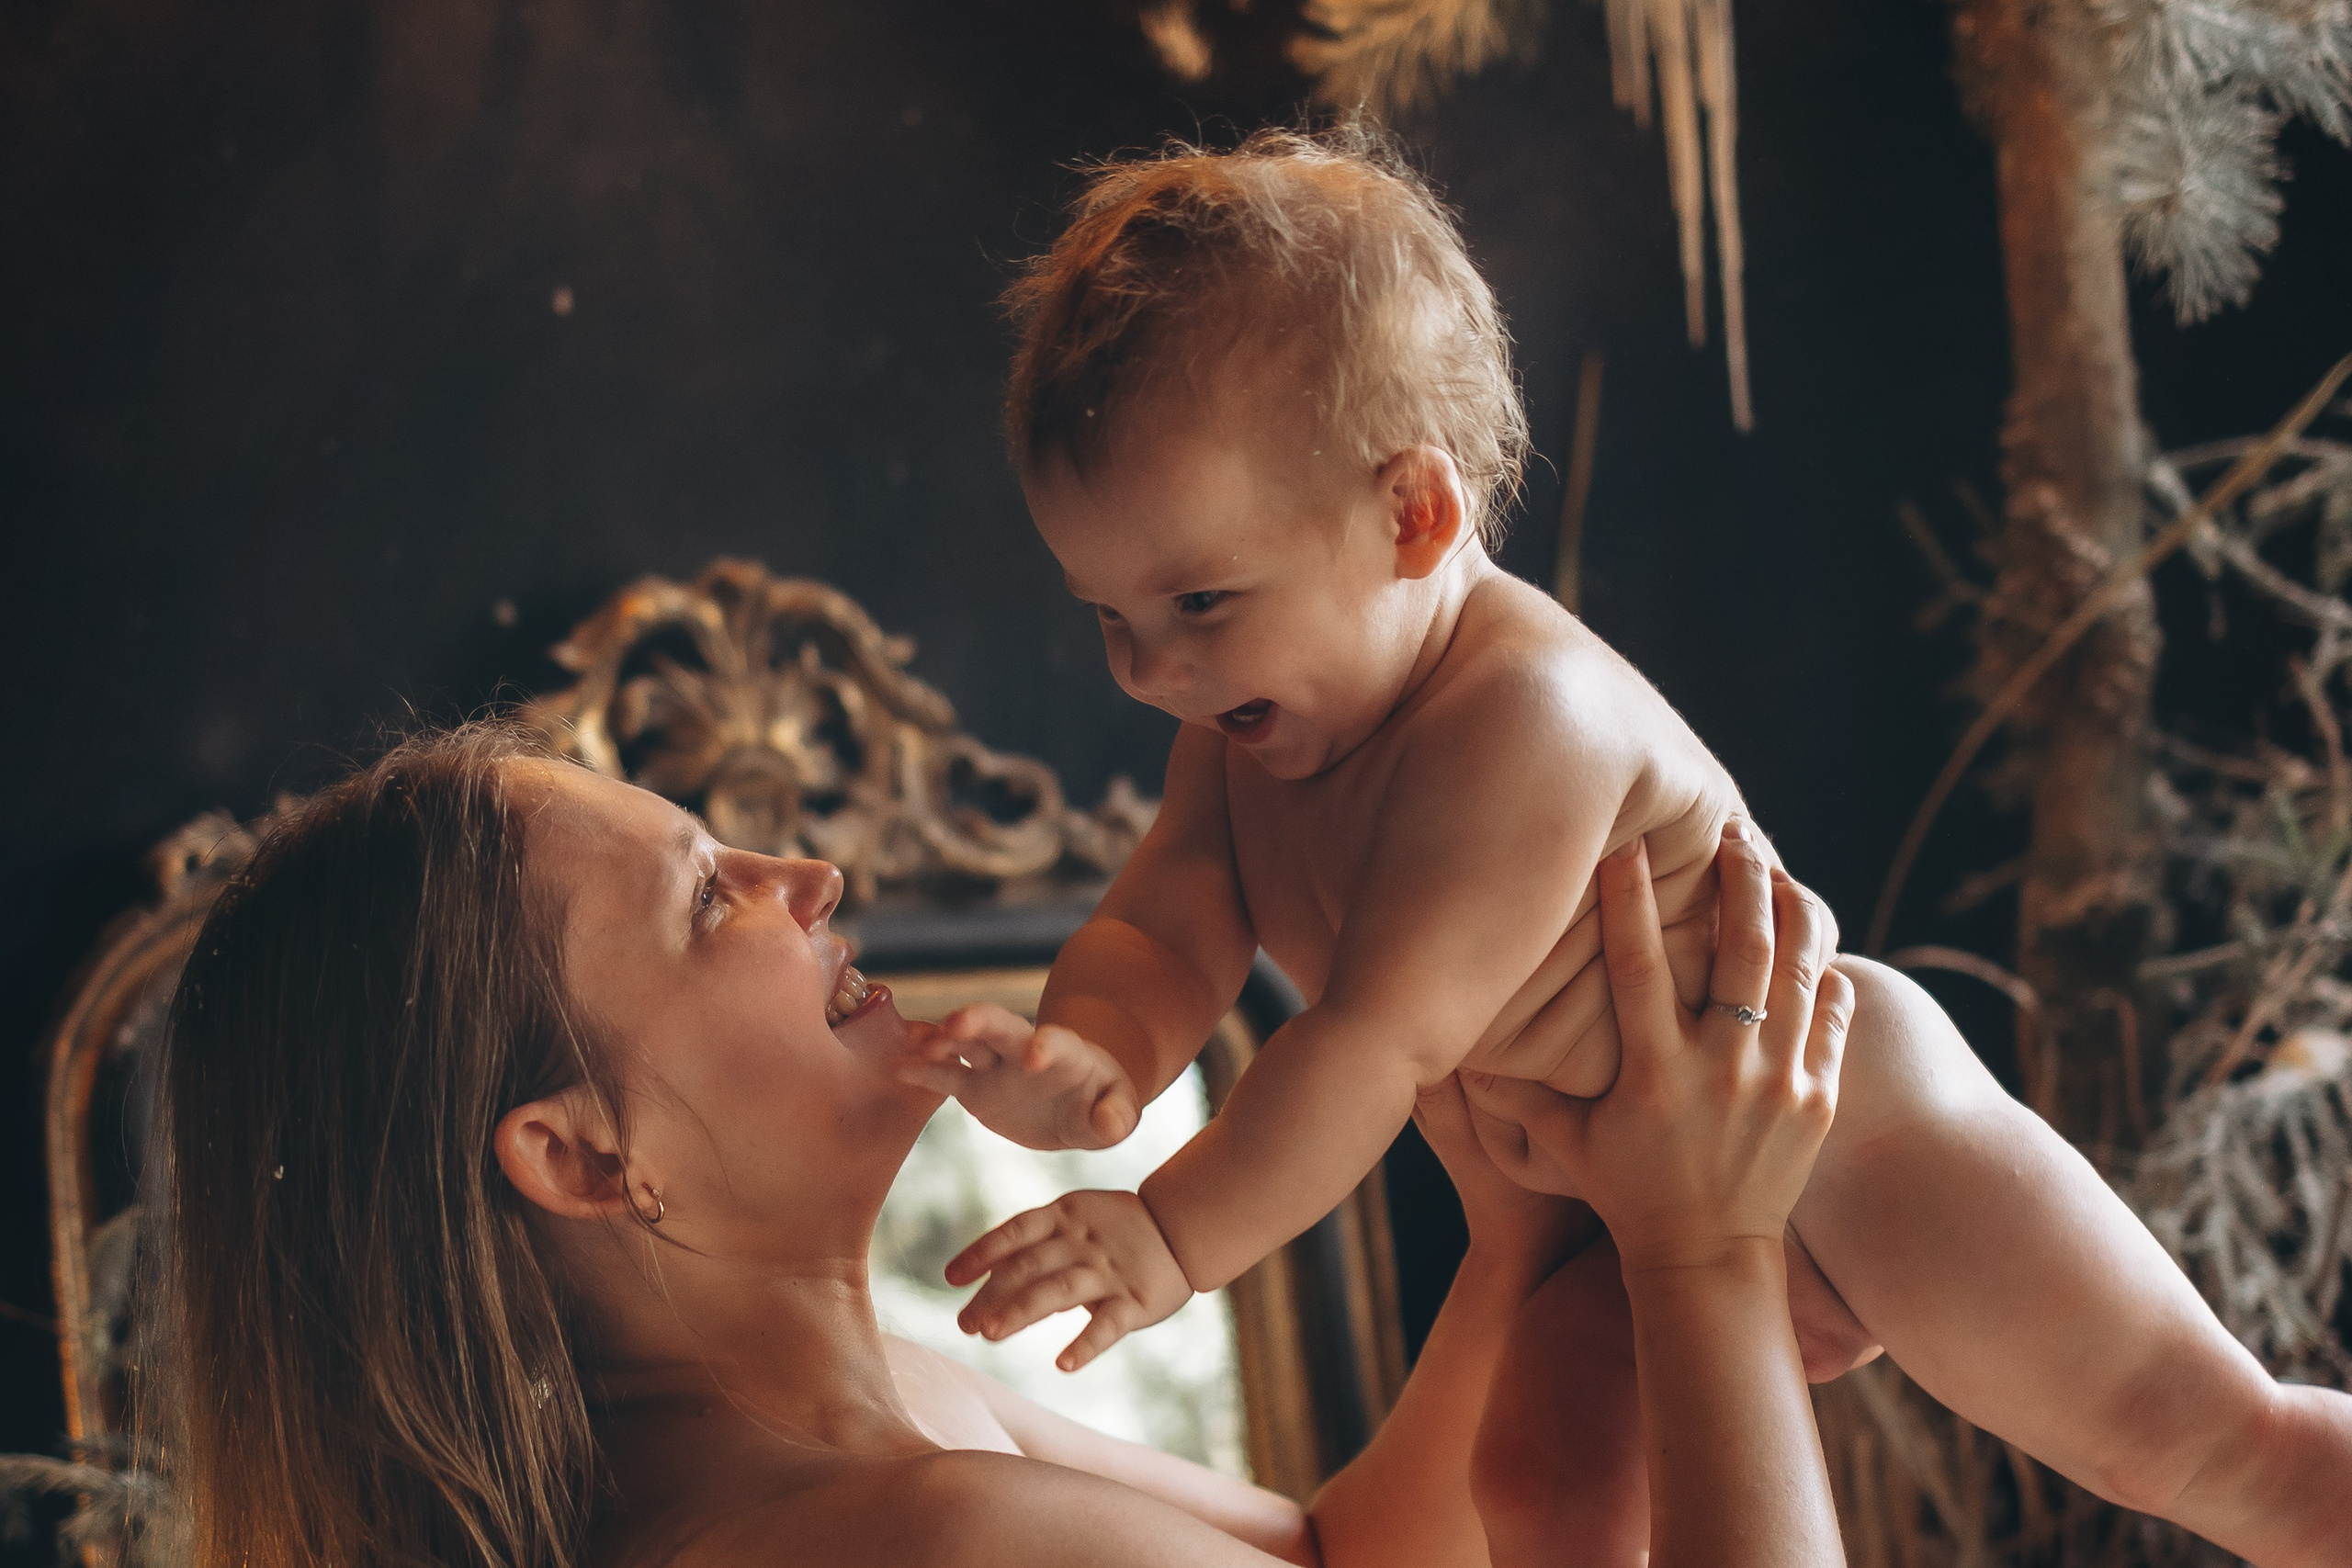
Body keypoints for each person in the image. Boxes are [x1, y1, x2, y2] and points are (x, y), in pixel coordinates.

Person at [900, 129, 2352, 1567]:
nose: (1150, 671)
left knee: (2189, 1439)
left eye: (1202, 603)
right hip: (1617, 1216)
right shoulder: (1236, 737)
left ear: (1412, 514)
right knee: (1544, 1493)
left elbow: (1375, 1043)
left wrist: (1171, 1236)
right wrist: (1096, 1052)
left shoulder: (1525, 721)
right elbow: (1162, 928)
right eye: (1108, 616)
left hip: (1836, 1131)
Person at [153, 722, 1848, 1568]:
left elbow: (1340, 1559)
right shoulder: (934, 1541)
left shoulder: (891, 1415)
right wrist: (1705, 1259)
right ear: (586, 1157)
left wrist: (1528, 1223)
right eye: (707, 900)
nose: (805, 880)